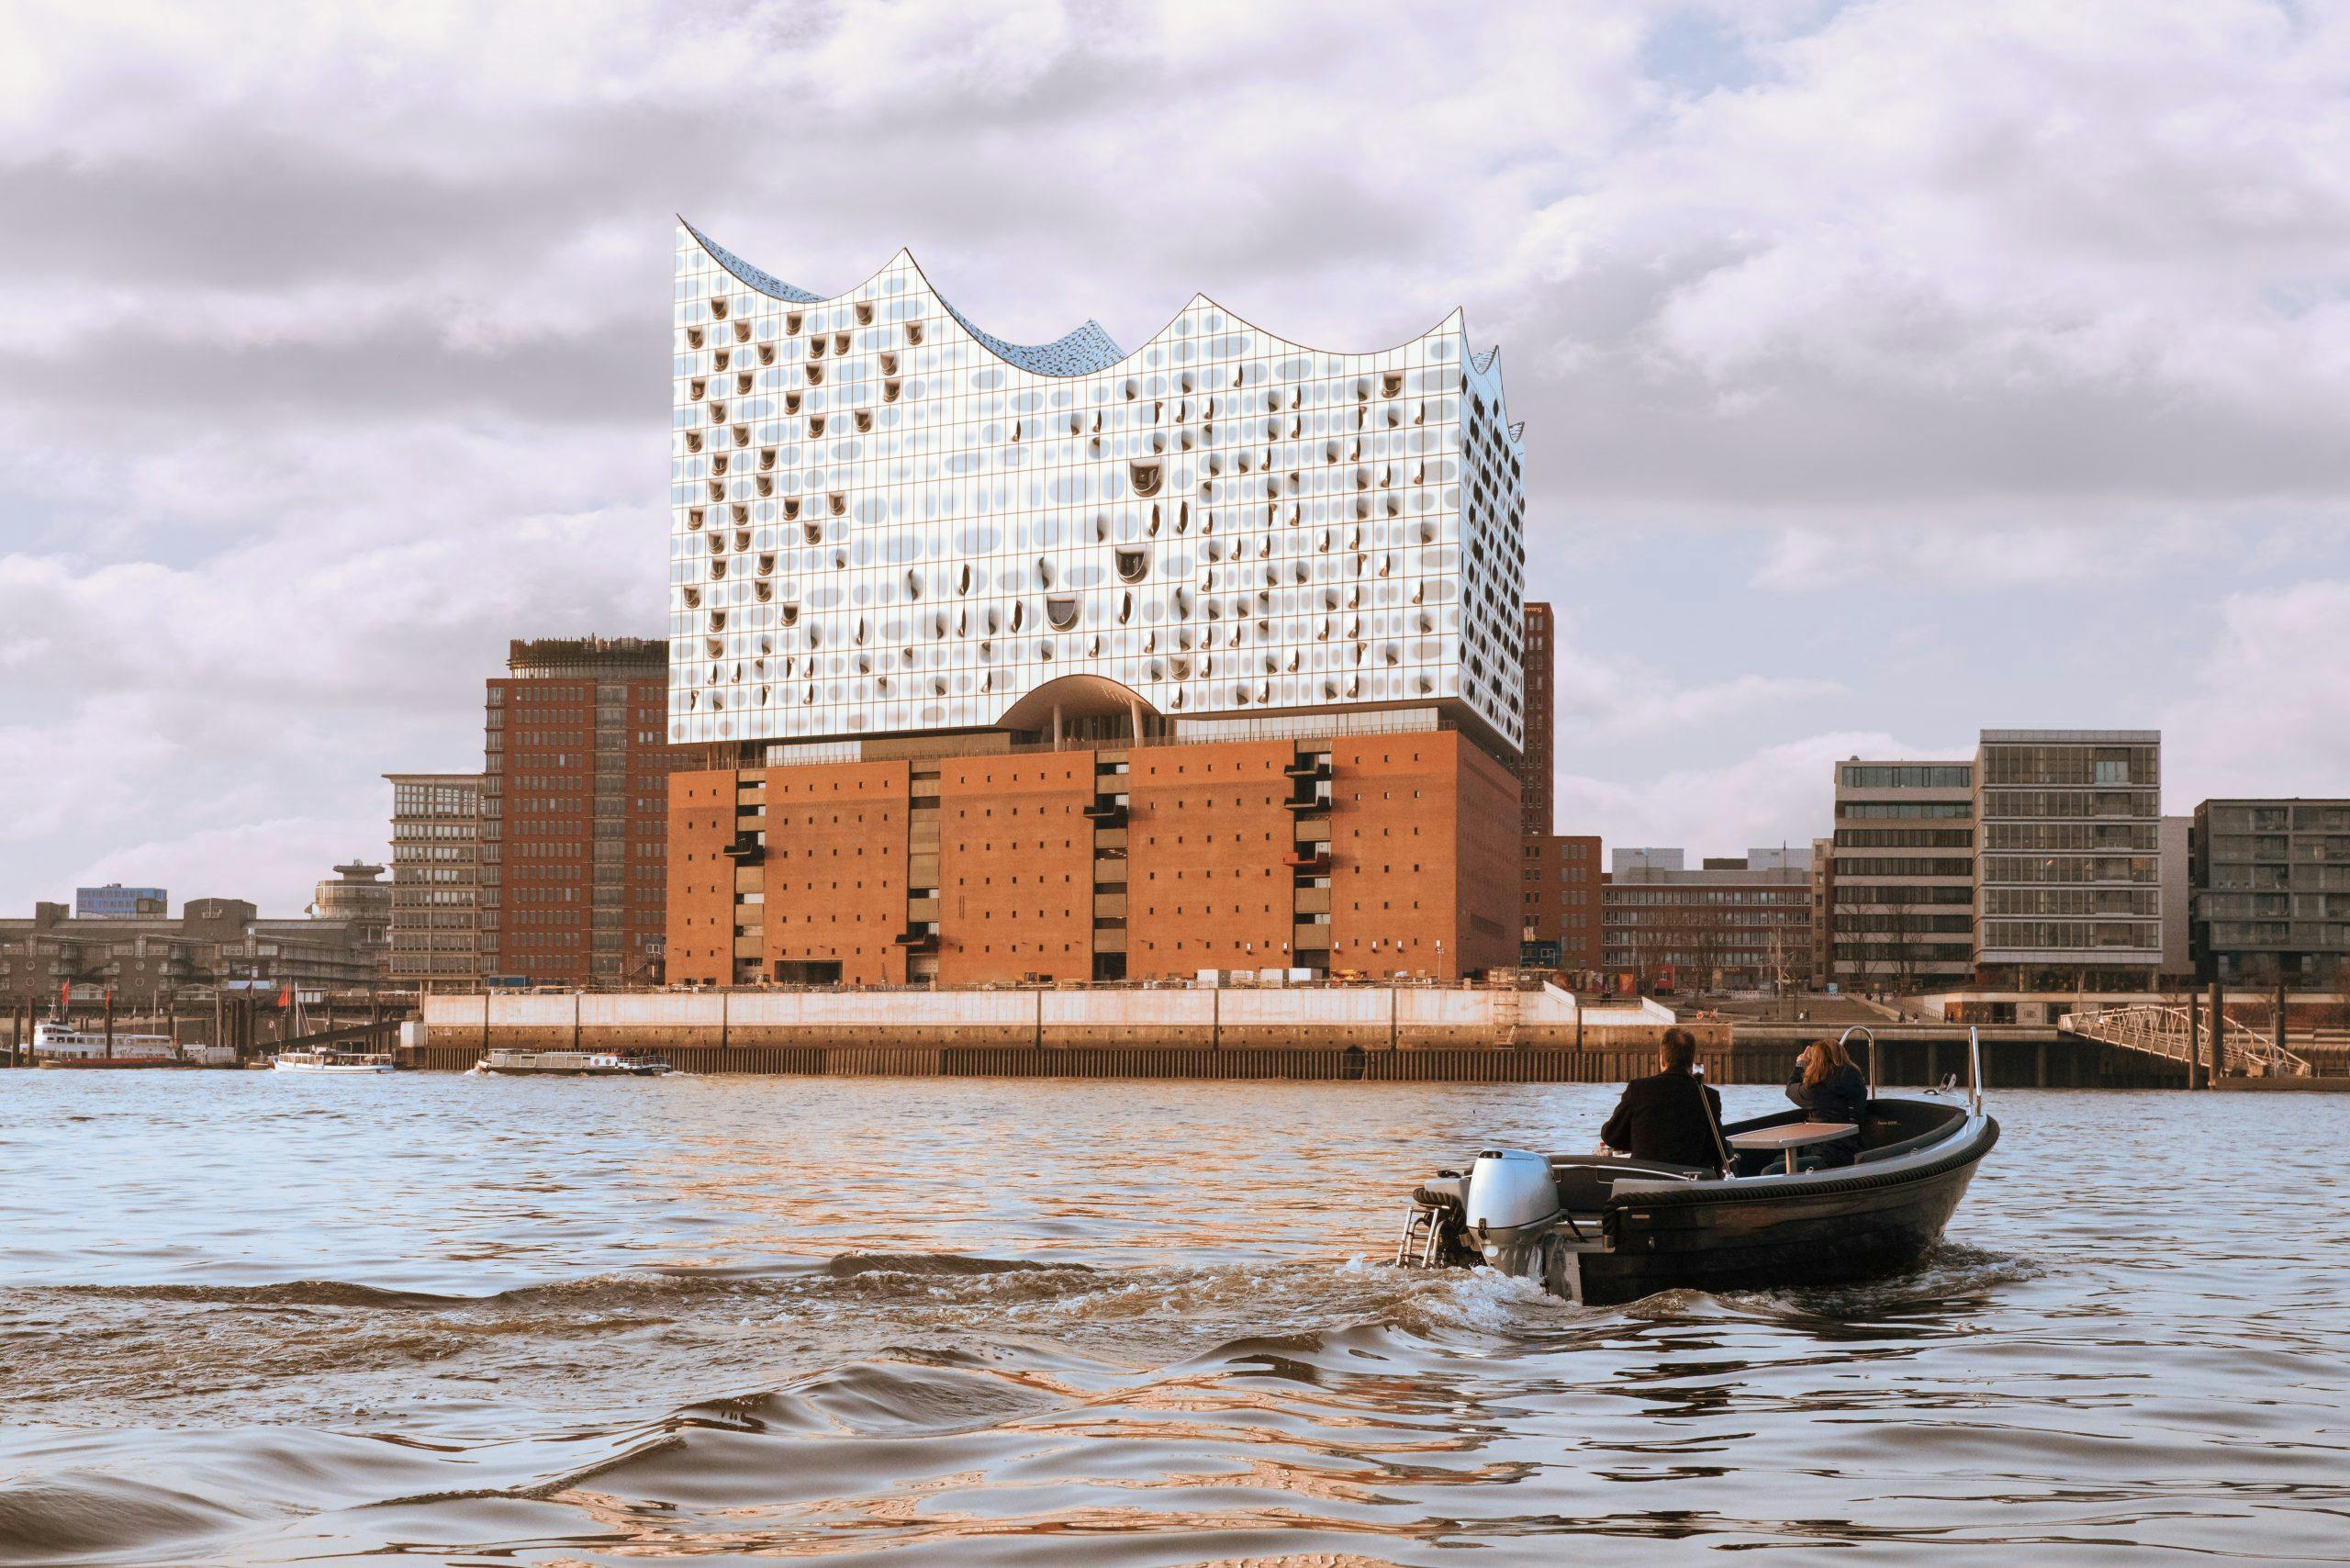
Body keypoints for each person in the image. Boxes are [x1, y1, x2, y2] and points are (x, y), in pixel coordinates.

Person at [1600, 1027, 1726, 1171]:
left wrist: (1641, 1140)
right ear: (1691, 1061)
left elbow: (1611, 1136)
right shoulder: (1708, 1096)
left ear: (1662, 1059)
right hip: (1691, 1184)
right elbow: (1719, 1152)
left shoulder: (1638, 1089)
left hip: (1645, 1181)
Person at [1786, 1036, 1867, 1166]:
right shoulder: (1857, 1082)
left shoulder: (1815, 1089)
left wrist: (1800, 1065)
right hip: (1852, 1149)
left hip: (1824, 1154)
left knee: (1774, 1167)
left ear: (1817, 1062)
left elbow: (1791, 1089)